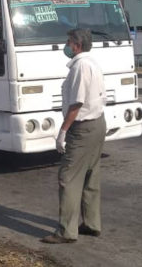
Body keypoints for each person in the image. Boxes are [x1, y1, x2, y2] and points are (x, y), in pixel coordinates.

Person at [40, 28, 107, 244]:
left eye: (68, 42)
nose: (66, 46)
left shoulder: (81, 66)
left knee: (68, 178)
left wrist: (63, 131)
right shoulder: (92, 63)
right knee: (90, 176)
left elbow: (76, 103)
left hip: (83, 128)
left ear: (76, 45)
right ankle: (91, 223)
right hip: (97, 124)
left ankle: (66, 231)